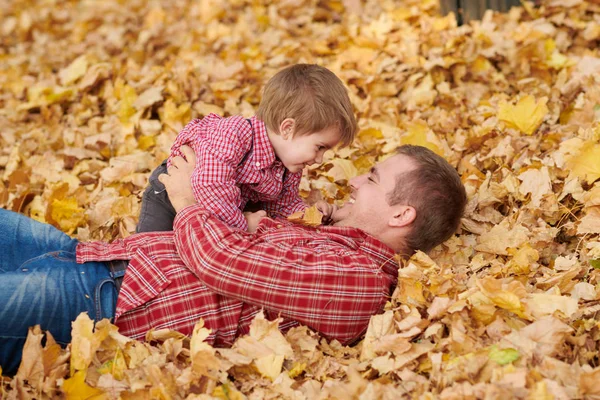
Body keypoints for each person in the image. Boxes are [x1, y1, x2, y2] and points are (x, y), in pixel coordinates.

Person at [0, 145, 466, 376]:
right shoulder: (332, 242)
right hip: (89, 255)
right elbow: (237, 235)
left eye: (372, 178)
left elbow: (222, 263)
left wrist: (187, 202)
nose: (355, 182)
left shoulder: (359, 284)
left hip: (103, 303)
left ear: (401, 214)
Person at [137, 64, 357, 233]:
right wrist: (242, 225)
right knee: (149, 250)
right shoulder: (235, 134)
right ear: (288, 128)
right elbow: (211, 186)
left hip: (224, 207)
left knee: (184, 260)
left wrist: (309, 216)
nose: (319, 159)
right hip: (170, 192)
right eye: (319, 147)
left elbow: (283, 205)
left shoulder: (287, 167)